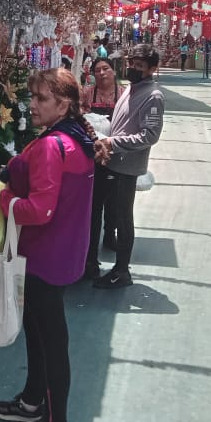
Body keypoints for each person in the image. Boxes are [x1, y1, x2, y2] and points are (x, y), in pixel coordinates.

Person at [0, 68, 95, 422]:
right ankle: (33, 401)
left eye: (41, 99)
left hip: (44, 255)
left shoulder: (54, 145)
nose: (31, 105)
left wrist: (4, 199)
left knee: (50, 340)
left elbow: (40, 210)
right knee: (39, 332)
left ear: (63, 104)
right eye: (32, 97)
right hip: (60, 252)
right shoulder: (75, 138)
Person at [92, 44, 164, 289]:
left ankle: (122, 270)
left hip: (126, 167)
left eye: (140, 66)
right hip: (111, 162)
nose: (133, 68)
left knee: (123, 219)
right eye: (132, 63)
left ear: (152, 69)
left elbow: (149, 136)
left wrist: (113, 142)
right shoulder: (131, 89)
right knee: (108, 214)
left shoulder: (153, 96)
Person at [81, 58, 122, 276]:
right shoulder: (87, 93)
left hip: (117, 151)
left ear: (114, 72)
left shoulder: (124, 93)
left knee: (115, 202)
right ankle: (90, 259)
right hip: (94, 154)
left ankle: (110, 234)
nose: (102, 73)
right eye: (97, 70)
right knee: (94, 206)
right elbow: (81, 118)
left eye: (106, 69)